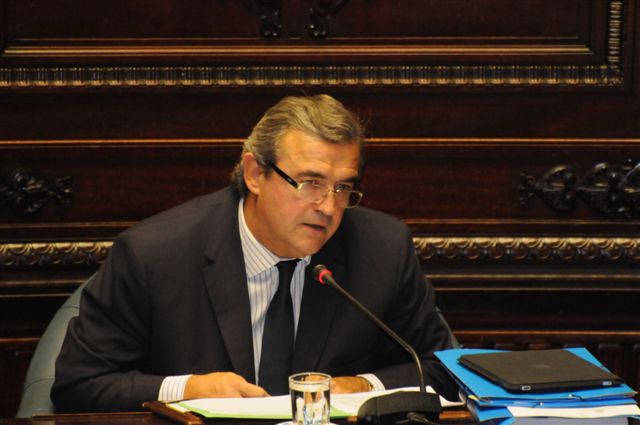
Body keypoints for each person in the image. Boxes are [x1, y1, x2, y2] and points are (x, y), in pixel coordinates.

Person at [51, 94, 459, 413]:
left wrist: (362, 386)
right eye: (310, 183)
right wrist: (189, 388)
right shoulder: (154, 255)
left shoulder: (382, 250)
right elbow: (79, 384)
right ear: (254, 174)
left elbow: (443, 370)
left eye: (343, 187)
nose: (329, 207)